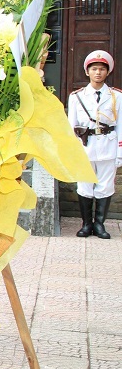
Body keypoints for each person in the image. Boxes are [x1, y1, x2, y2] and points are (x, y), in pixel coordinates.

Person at [69, 50, 122, 239]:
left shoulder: (116, 96)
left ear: (107, 72)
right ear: (87, 72)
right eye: (94, 69)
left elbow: (121, 124)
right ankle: (86, 225)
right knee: (84, 185)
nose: (98, 72)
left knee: (105, 186)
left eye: (101, 69)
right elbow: (71, 127)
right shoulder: (76, 97)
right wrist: (72, 152)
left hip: (108, 146)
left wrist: (120, 152)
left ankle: (99, 225)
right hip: (85, 147)